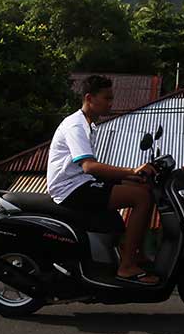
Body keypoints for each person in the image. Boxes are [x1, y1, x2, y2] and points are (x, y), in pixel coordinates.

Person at [47, 74, 160, 285]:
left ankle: (136, 253)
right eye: (107, 98)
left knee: (144, 188)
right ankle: (126, 267)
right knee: (141, 199)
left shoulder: (89, 125)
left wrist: (132, 177)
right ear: (89, 98)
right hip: (71, 189)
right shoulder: (76, 126)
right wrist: (133, 171)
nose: (111, 103)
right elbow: (89, 166)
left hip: (81, 182)